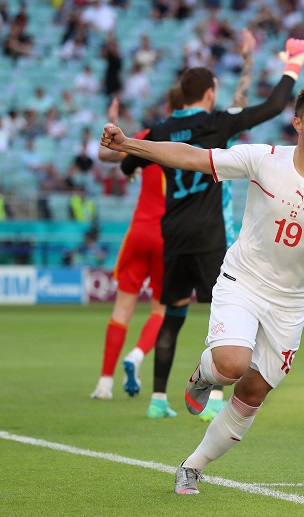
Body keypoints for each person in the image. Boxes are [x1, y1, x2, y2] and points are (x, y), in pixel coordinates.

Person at [100, 79, 304, 495]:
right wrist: (129, 145)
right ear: (298, 122)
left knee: (252, 394)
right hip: (243, 282)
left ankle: (192, 466)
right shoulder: (263, 159)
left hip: (290, 304)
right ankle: (204, 373)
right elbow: (192, 157)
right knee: (231, 365)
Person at [119, 34, 304, 421]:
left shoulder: (160, 129)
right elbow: (273, 106)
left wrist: (127, 155)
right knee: (225, 316)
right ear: (209, 93)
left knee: (171, 315)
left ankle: (158, 400)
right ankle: (216, 400)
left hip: (173, 234)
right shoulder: (217, 123)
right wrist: (294, 62)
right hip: (210, 235)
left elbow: (126, 162)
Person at [90, 90, 181, 401]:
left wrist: (112, 123)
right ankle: (138, 353)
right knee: (160, 310)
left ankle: (104, 383)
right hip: (169, 236)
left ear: (167, 107)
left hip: (140, 231)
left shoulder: (146, 138)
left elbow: (106, 155)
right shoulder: (195, 142)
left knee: (122, 308)